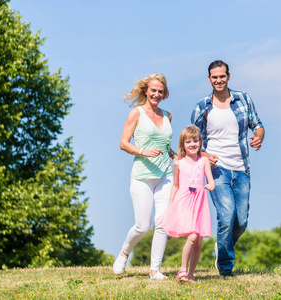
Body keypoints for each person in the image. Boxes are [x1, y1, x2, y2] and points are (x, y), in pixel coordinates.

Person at [191, 60, 265, 277]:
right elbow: (192, 142)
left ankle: (221, 247)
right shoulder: (202, 106)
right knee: (226, 215)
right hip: (217, 169)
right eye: (214, 77)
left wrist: (258, 137)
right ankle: (225, 267)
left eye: (222, 76)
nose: (218, 80)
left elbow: (258, 125)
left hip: (242, 168)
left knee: (241, 221)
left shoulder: (243, 99)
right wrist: (204, 155)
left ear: (228, 76)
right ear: (209, 79)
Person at [113, 73, 177, 280]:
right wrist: (143, 151)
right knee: (142, 225)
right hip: (142, 176)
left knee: (163, 223)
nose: (156, 94)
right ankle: (124, 253)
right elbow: (124, 143)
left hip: (165, 175)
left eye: (160, 91)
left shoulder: (167, 116)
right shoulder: (136, 113)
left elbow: (165, 147)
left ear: (164, 93)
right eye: (153, 90)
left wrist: (178, 157)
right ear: (146, 91)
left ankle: (154, 270)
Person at [160, 125, 215, 282]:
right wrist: (171, 205)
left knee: (198, 241)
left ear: (200, 142)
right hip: (184, 201)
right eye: (188, 141)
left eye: (195, 141)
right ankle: (182, 271)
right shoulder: (178, 163)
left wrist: (211, 184)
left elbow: (210, 179)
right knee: (191, 236)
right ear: (183, 145)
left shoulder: (204, 161)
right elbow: (176, 186)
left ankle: (191, 274)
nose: (192, 144)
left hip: (199, 202)